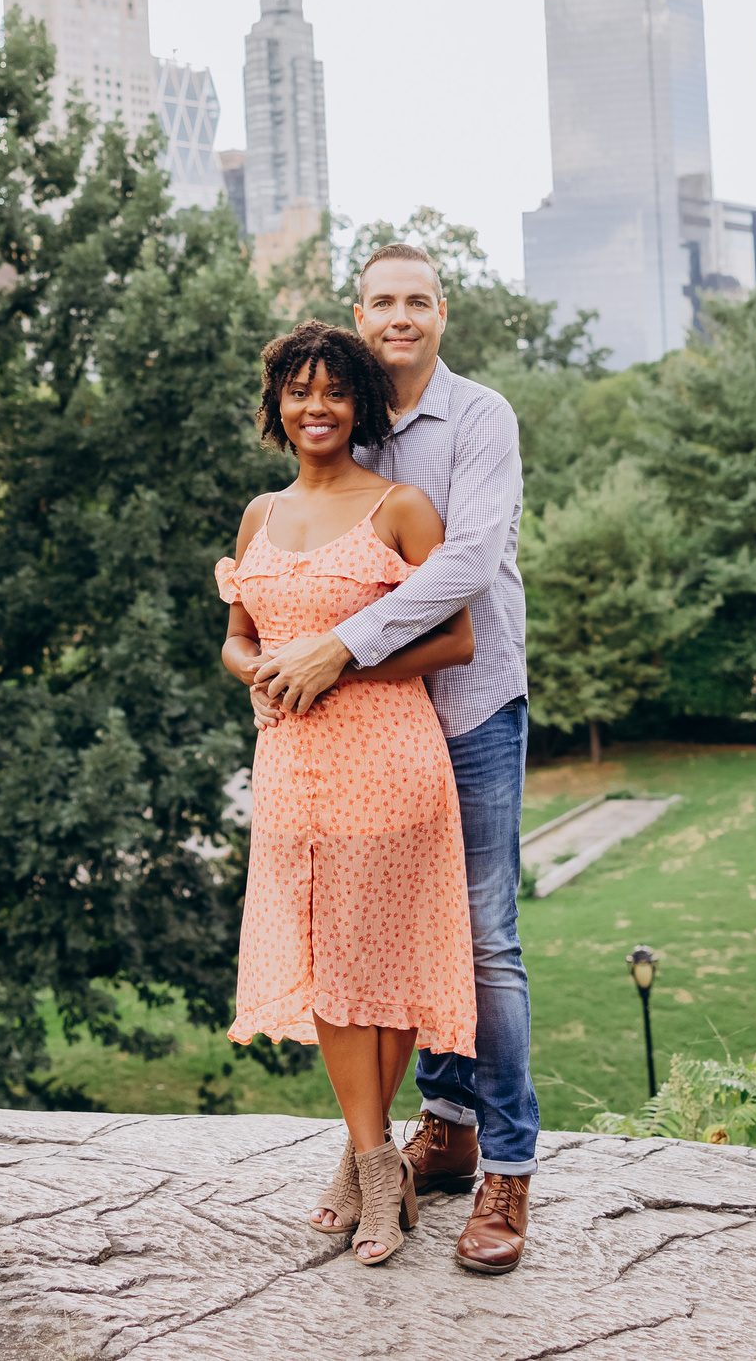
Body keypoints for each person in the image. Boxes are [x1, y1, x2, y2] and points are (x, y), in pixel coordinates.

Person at [251, 242, 542, 1276]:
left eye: (418, 299)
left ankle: (507, 1165)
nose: (400, 316)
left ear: (442, 312)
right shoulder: (350, 417)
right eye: (383, 301)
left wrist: (338, 647)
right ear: (360, 314)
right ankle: (443, 1128)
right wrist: (275, 643)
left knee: (483, 938)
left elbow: (466, 563)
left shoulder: (479, 418)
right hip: (364, 732)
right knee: (397, 937)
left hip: (467, 707)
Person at [217, 318, 478, 1268]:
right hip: (292, 766)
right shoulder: (260, 515)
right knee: (328, 957)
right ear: (277, 407)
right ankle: (376, 1160)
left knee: (384, 961)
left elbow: (456, 640)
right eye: (299, 392)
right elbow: (237, 637)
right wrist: (259, 671)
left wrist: (337, 664)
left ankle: (365, 1166)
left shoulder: (401, 508)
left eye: (334, 391)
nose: (316, 407)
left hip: (389, 759)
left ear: (361, 403)